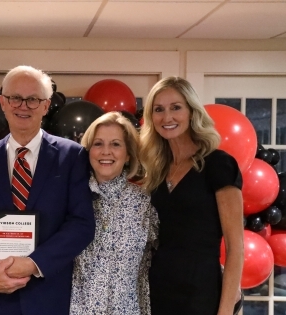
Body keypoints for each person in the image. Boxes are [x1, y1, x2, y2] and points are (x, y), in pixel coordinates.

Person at [0, 65, 95, 315]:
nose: (23, 106)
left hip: (49, 297)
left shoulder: (72, 157)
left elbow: (81, 224)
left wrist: (34, 263)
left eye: (33, 99)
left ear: (46, 106)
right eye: (15, 98)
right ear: (3, 102)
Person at [139, 76, 244, 315]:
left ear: (192, 111)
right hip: (158, 290)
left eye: (176, 107)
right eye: (159, 110)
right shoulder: (156, 171)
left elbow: (235, 247)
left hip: (202, 291)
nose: (167, 117)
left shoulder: (219, 164)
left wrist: (226, 311)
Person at [70, 111, 158, 315]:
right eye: (98, 144)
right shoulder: (71, 198)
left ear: (128, 154)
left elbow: (172, 254)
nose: (106, 151)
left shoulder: (145, 202)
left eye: (116, 144)